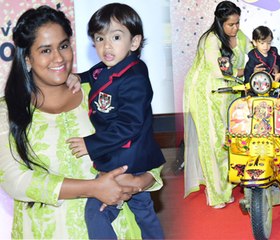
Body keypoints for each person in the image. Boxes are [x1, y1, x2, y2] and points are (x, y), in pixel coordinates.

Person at [0, 5, 162, 239]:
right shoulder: (7, 109)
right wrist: (93, 188)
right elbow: (15, 180)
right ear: (27, 59)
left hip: (117, 226)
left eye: (63, 46)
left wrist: (139, 181)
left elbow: (142, 143)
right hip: (47, 231)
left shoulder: (98, 92)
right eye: (46, 50)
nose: (59, 58)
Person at [65, 3, 165, 239]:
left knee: (134, 211)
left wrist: (91, 144)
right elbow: (96, 73)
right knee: (115, 211)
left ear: (134, 42)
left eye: (116, 37)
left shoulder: (135, 77)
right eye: (99, 38)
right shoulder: (111, 66)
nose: (106, 46)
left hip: (128, 158)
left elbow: (130, 125)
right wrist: (80, 77)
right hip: (119, 156)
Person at [183, 1, 252, 209]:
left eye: (238, 23)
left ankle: (226, 187)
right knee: (213, 142)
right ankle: (216, 195)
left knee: (227, 141)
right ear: (220, 22)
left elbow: (255, 51)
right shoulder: (210, 39)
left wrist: (270, 61)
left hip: (227, 94)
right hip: (204, 94)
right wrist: (247, 71)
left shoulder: (239, 36)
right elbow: (220, 71)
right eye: (231, 24)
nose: (236, 28)